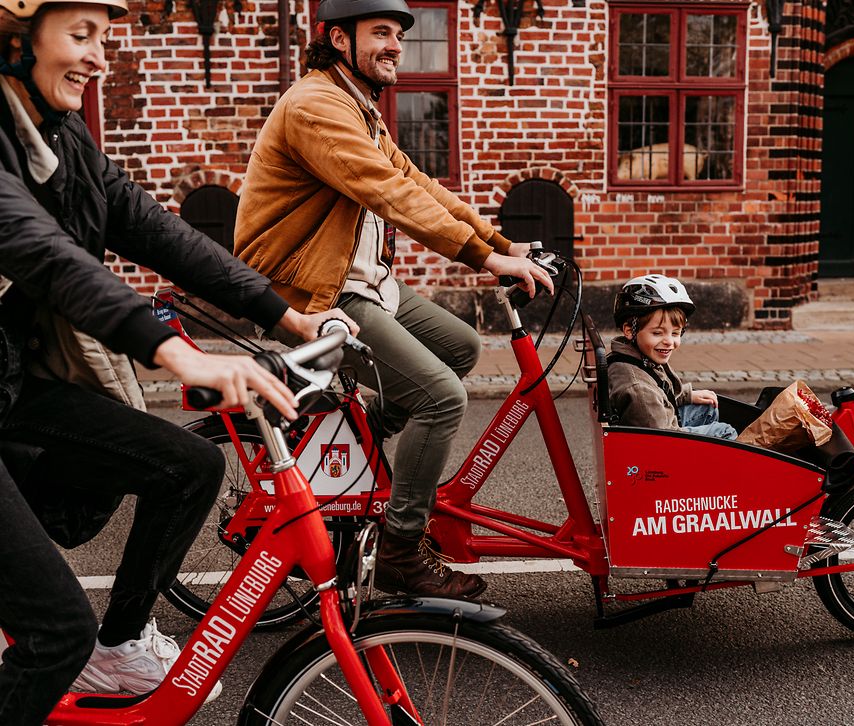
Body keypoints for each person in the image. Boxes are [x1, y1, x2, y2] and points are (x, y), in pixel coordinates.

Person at [0, 0, 357, 722]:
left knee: (188, 465)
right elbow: (48, 255)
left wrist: (286, 317)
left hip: (12, 387)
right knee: (54, 634)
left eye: (103, 38)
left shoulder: (58, 138)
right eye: (80, 35)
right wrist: (175, 355)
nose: (99, 57)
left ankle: (119, 646)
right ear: (14, 40)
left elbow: (154, 229)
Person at [234, 0, 553, 599]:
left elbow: (418, 184)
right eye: (380, 32)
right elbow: (387, 192)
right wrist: (485, 259)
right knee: (441, 397)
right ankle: (401, 552)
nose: (395, 46)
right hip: (315, 292)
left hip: (362, 281)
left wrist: (505, 244)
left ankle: (353, 451)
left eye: (399, 35)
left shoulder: (360, 108)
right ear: (339, 39)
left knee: (460, 348)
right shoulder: (316, 106)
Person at [608, 274, 737, 439]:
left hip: (663, 423)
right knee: (725, 431)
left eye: (675, 333)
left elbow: (661, 390)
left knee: (708, 408)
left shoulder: (639, 358)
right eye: (657, 333)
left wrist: (687, 395)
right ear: (629, 331)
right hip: (663, 441)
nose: (669, 341)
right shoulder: (639, 389)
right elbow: (664, 440)